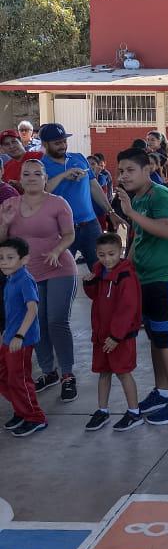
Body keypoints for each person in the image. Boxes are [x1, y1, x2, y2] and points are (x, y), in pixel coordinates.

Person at [114, 147, 168, 425]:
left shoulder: (160, 194)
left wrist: (128, 213)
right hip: (147, 280)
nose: (124, 176)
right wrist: (125, 268)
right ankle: (162, 392)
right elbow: (140, 239)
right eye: (121, 171)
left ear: (148, 169)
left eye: (130, 170)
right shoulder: (137, 199)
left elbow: (165, 229)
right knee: (156, 339)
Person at [0, 158, 78, 401]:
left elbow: (69, 234)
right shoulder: (10, 204)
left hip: (59, 269)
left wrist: (56, 251)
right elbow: (3, 242)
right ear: (20, 179)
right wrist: (4, 223)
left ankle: (67, 374)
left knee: (56, 321)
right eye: (26, 174)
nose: (31, 177)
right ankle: (49, 371)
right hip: (27, 275)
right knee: (37, 324)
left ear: (45, 178)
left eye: (37, 173)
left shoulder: (58, 203)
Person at [82, 232, 143, 432]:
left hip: (120, 337)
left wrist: (117, 336)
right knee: (103, 372)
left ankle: (135, 413)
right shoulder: (98, 270)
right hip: (102, 335)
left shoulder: (126, 275)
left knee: (123, 373)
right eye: (101, 255)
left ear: (121, 251)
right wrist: (89, 282)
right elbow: (95, 296)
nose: (107, 259)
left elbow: (128, 308)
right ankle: (103, 410)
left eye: (111, 254)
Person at [39, 122, 116, 271]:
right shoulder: (40, 166)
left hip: (90, 224)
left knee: (102, 270)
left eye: (64, 141)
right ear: (45, 144)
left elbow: (94, 187)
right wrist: (63, 175)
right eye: (57, 143)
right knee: (61, 273)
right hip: (60, 229)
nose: (62, 145)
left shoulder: (79, 158)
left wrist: (110, 211)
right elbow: (41, 192)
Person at [0, 236, 46, 437]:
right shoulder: (10, 279)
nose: (4, 262)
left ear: (24, 260)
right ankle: (21, 410)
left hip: (21, 341)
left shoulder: (25, 279)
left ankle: (35, 417)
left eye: (10, 257)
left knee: (19, 379)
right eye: (1, 257)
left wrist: (19, 335)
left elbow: (32, 309)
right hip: (8, 338)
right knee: (4, 375)